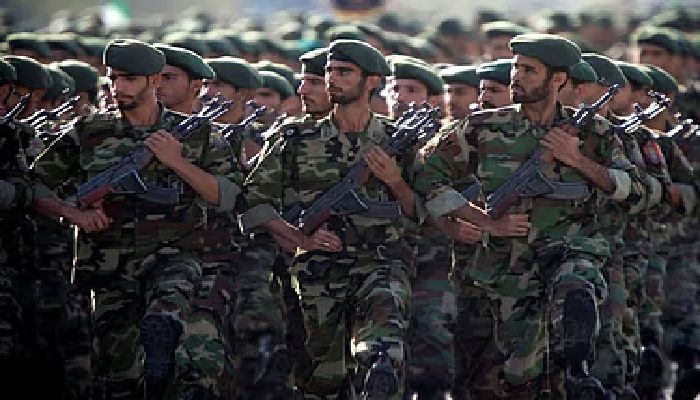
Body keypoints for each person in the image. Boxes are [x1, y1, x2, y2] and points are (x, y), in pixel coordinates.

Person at [31, 39, 240, 399]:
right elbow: (34, 185)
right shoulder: (90, 132)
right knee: (118, 377)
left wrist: (177, 161)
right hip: (109, 267)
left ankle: (163, 342)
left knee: (168, 310)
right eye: (113, 78)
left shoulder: (196, 132)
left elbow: (228, 195)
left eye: (129, 79)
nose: (118, 87)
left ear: (154, 81)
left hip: (174, 255)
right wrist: (74, 213)